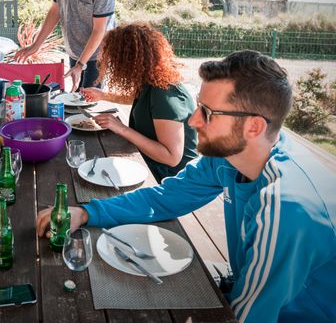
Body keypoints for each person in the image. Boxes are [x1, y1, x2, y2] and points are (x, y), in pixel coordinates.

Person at [37, 51, 335, 323]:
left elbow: (246, 316)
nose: (193, 120)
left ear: (254, 126)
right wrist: (87, 213)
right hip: (242, 288)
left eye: (207, 113)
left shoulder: (286, 208)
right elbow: (168, 196)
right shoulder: (232, 155)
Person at [82, 23, 198, 181]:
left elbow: (172, 158)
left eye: (113, 60)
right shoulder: (151, 82)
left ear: (128, 61)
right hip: (151, 164)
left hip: (171, 180)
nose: (110, 65)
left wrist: (121, 128)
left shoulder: (165, 94)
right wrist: (102, 95)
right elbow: (138, 99)